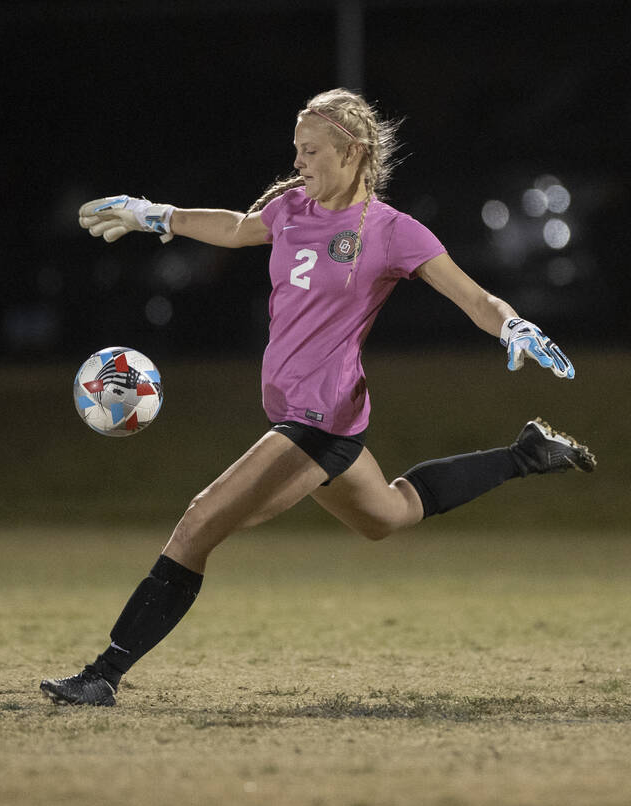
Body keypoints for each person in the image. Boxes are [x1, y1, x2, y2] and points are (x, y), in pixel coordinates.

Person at [41, 88, 596, 708]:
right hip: (297, 416)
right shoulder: (292, 209)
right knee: (388, 515)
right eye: (296, 149)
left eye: (311, 150)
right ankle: (526, 454)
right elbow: (233, 228)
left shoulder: (391, 232)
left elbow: (473, 298)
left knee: (198, 523)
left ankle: (103, 674)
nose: (299, 161)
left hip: (321, 422)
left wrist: (513, 325)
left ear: (353, 151)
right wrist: (155, 214)